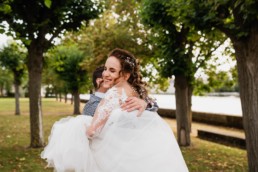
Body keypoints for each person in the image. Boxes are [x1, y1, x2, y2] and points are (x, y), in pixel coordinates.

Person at [41, 48, 188, 172]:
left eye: (112, 70)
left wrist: (78, 131)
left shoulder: (114, 94)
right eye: (105, 69)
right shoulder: (136, 91)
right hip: (134, 155)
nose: (105, 74)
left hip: (115, 157)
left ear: (125, 75)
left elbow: (93, 131)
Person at [82, 66, 158, 117]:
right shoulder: (91, 106)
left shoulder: (120, 96)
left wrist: (144, 103)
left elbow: (155, 106)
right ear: (100, 81)